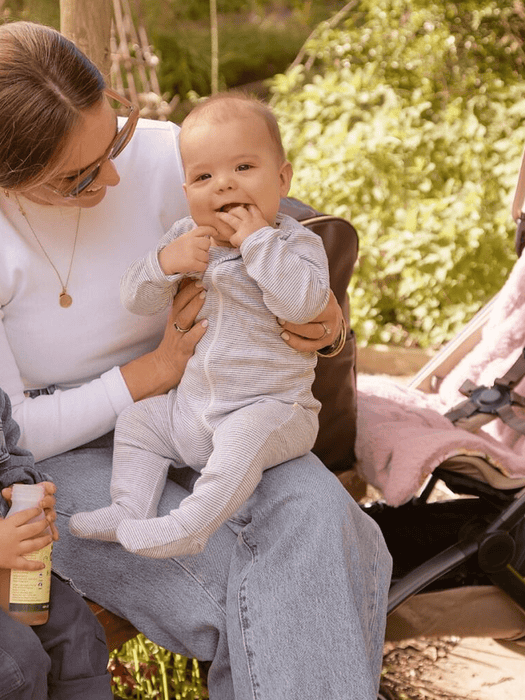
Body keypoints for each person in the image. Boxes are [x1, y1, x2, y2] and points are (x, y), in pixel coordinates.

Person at [0, 19, 391, 700]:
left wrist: (326, 322)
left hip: (220, 406)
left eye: (114, 135)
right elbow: (16, 431)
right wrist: (149, 373)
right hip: (66, 458)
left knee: (323, 521)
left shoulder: (167, 159)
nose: (116, 173)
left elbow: (285, 238)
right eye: (79, 175)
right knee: (288, 593)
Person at [70, 92, 331, 558]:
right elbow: (136, 299)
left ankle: (190, 526)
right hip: (191, 412)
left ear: (283, 178)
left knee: (243, 441)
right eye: (204, 176)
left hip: (271, 408)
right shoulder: (186, 241)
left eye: (244, 168)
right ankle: (127, 507)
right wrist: (163, 263)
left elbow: (302, 304)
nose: (224, 186)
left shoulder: (294, 245)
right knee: (138, 421)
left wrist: (257, 243)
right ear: (186, 192)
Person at [0, 387, 113, 700]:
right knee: (17, 665)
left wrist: (26, 494)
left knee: (78, 634)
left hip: (8, 569)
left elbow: (11, 460)